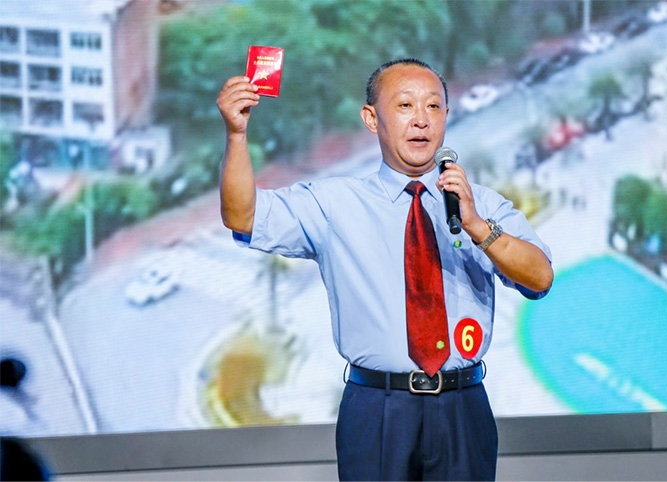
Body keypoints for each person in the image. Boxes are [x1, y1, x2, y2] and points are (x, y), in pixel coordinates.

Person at [216, 58, 553, 480]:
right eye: (405, 105)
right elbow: (243, 215)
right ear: (372, 119)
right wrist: (236, 135)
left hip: (462, 405)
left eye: (433, 107)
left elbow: (540, 277)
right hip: (377, 408)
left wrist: (477, 227)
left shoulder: (479, 204)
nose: (421, 120)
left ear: (446, 116)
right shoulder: (335, 203)